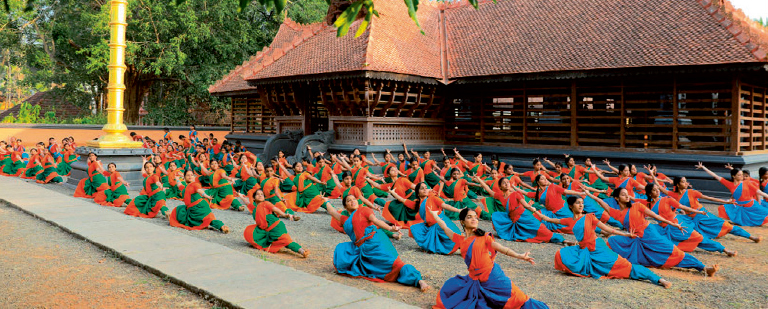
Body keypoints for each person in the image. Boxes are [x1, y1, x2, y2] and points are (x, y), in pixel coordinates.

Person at [536, 195, 672, 288]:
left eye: (582, 203)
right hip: (584, 251)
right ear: (571, 206)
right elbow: (549, 220)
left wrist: (624, 233)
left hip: (598, 248)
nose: (581, 205)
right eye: (578, 203)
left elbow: (608, 229)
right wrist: (533, 210)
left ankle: (658, 279)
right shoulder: (569, 220)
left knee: (626, 267)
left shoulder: (589, 217)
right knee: (560, 254)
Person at [433, 208, 548, 309]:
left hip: (492, 276)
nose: (474, 219)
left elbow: (501, 248)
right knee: (451, 291)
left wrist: (519, 256)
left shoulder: (484, 237)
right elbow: (444, 227)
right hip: (475, 280)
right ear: (462, 222)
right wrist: (435, 215)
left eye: (476, 217)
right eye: (469, 217)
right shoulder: (460, 240)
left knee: (518, 298)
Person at [596, 188, 719, 276]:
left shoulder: (637, 206)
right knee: (612, 240)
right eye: (623, 195)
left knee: (673, 251)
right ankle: (599, 257)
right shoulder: (617, 213)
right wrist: (588, 194)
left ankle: (702, 267)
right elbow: (602, 204)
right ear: (617, 198)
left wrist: (674, 224)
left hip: (650, 234)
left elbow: (656, 216)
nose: (627, 196)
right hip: (635, 239)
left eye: (627, 194)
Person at [329, 194, 430, 292]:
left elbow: (376, 221)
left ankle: (418, 280)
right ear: (345, 206)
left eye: (354, 199)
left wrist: (390, 228)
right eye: (349, 200)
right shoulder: (344, 219)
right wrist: (325, 201)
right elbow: (333, 212)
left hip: (376, 242)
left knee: (395, 264)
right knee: (341, 249)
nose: (352, 201)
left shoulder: (364, 210)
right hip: (362, 249)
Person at [644, 182, 737, 256]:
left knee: (699, 238)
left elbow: (683, 207)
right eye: (654, 190)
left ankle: (724, 249)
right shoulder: (647, 205)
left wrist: (698, 212)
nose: (657, 191)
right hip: (664, 229)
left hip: (678, 225)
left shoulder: (667, 199)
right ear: (649, 193)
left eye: (657, 189)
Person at [665, 176, 761, 242]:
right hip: (691, 219)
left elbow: (709, 198)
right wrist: (652, 176)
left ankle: (751, 237)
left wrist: (726, 202)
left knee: (726, 225)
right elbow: (660, 190)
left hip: (703, 215)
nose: (686, 183)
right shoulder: (673, 195)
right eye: (683, 181)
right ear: (677, 185)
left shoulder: (692, 192)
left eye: (686, 181)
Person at [478, 176, 565, 244]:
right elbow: (488, 189)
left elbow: (525, 205)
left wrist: (535, 212)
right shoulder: (499, 196)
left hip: (524, 216)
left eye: (507, 182)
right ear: (500, 187)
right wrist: (479, 179)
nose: (506, 184)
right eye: (504, 183)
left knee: (541, 229)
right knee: (496, 215)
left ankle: (561, 240)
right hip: (513, 218)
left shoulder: (516, 194)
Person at [390, 183, 463, 254]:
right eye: (422, 189)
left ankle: (462, 246)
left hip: (441, 223)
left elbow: (445, 205)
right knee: (414, 228)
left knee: (455, 238)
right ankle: (426, 246)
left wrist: (458, 210)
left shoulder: (433, 198)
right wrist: (392, 193)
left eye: (426, 188)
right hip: (430, 225)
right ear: (418, 193)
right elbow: (402, 200)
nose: (425, 190)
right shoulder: (417, 204)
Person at [696, 163, 768, 226]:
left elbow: (759, 192)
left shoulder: (747, 182)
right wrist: (703, 167)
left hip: (751, 205)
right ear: (734, 176)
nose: (742, 177)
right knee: (723, 208)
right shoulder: (729, 184)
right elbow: (716, 176)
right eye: (740, 175)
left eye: (742, 175)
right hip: (739, 206)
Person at [244, 189, 308, 257]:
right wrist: (240, 196)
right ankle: (300, 250)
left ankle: (302, 251)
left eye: (262, 194)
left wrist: (285, 215)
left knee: (286, 241)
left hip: (277, 227)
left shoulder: (265, 203)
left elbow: (275, 209)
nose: (260, 195)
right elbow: (247, 203)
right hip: (269, 231)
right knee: (251, 231)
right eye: (258, 194)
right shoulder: (255, 208)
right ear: (253, 198)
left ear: (264, 197)